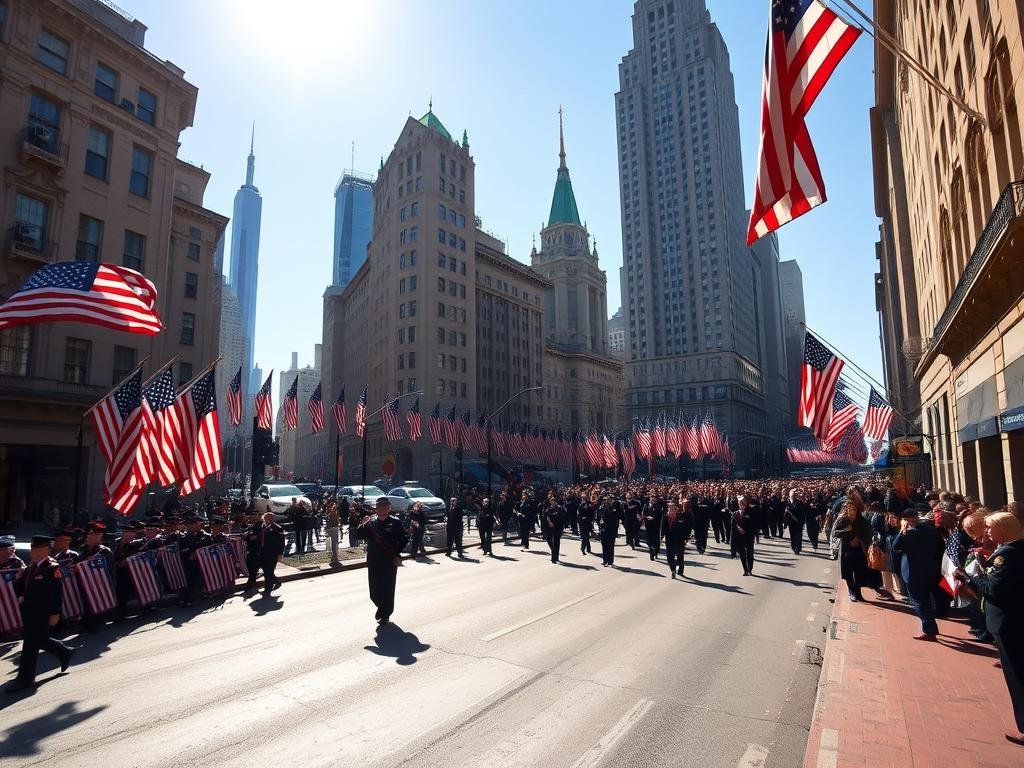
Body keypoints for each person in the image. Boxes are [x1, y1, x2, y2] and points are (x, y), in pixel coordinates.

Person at [962, 511, 1024, 746]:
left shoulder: (1006, 555)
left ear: (1003, 531)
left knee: (1017, 677)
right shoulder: (1013, 550)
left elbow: (994, 589)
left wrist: (972, 576)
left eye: (990, 528)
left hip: (1008, 622)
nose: (986, 532)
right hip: (1015, 619)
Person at [3, 535, 74, 693]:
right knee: (38, 640)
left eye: (35, 548)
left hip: (41, 612)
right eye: (32, 548)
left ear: (46, 550)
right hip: (29, 611)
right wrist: (19, 588)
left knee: (30, 644)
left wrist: (55, 613)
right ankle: (64, 652)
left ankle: (25, 679)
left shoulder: (51, 568)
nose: (32, 551)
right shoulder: (31, 566)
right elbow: (20, 585)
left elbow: (56, 593)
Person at [892, 505, 942, 639]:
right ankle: (930, 625)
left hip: (913, 572)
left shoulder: (908, 534)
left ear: (907, 520)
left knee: (918, 601)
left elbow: (895, 547)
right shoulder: (930, 530)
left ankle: (929, 629)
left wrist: (902, 531)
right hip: (930, 571)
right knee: (926, 599)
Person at [358, 497, 409, 626]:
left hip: (389, 561)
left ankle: (385, 614)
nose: (381, 508)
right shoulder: (372, 521)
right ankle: (381, 607)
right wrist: (363, 524)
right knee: (374, 591)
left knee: (388, 588)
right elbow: (358, 535)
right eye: (379, 505)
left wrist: (397, 553)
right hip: (374, 560)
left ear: (389, 508)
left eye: (384, 505)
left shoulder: (395, 522)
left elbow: (404, 539)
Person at [259, 512, 285, 593]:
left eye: (270, 518)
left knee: (269, 570)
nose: (267, 520)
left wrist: (280, 554)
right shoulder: (262, 527)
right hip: (263, 552)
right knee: (266, 570)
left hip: (273, 553)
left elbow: (282, 542)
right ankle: (276, 582)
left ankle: (268, 588)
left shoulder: (277, 528)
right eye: (266, 518)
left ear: (273, 519)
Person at [663, 500, 689, 578]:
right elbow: (663, 528)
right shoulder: (665, 517)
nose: (671, 510)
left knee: (680, 556)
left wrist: (686, 538)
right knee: (670, 557)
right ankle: (673, 570)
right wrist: (662, 536)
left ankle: (680, 569)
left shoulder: (681, 517)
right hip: (669, 540)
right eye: (669, 509)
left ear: (676, 509)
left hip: (679, 540)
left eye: (673, 509)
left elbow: (685, 528)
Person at [732, 496, 756, 576]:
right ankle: (745, 570)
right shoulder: (735, 514)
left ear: (746, 503)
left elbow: (754, 524)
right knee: (742, 553)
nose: (741, 504)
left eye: (742, 503)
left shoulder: (751, 512)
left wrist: (747, 530)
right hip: (740, 537)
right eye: (739, 503)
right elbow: (733, 527)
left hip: (749, 536)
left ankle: (750, 569)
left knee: (750, 553)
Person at [542, 492, 566, 564]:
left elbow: (562, 517)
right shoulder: (549, 509)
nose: (553, 503)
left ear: (556, 502)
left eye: (554, 502)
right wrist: (549, 522)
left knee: (556, 542)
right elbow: (546, 517)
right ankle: (555, 555)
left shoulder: (560, 509)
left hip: (558, 528)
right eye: (552, 502)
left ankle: (554, 558)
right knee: (550, 540)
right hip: (550, 527)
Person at [598, 493, 621, 567]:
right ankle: (605, 561)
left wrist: (615, 532)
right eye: (605, 501)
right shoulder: (602, 509)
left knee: (610, 546)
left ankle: (610, 561)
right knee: (604, 546)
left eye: (608, 501)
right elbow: (599, 518)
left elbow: (615, 521)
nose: (606, 502)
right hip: (603, 530)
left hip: (611, 531)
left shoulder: (614, 510)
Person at [243, 509, 264, 589]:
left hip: (258, 550)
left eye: (256, 515)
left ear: (259, 516)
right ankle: (251, 583)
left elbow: (253, 537)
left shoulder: (260, 525)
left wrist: (246, 537)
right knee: (254, 568)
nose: (253, 517)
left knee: (254, 568)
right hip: (252, 550)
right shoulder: (252, 526)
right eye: (252, 515)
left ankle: (250, 584)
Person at [784, 489, 806, 555]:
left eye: (794, 494)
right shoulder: (786, 502)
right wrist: (785, 513)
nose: (793, 495)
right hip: (791, 522)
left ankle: (798, 548)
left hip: (798, 522)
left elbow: (803, 513)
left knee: (798, 536)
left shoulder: (800, 503)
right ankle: (793, 547)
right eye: (792, 493)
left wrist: (803, 522)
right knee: (792, 536)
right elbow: (782, 513)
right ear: (789, 495)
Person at [324, 498, 341, 566]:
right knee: (334, 543)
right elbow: (334, 520)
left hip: (331, 528)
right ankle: (334, 557)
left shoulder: (329, 510)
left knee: (333, 544)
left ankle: (334, 557)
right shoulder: (332, 511)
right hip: (333, 528)